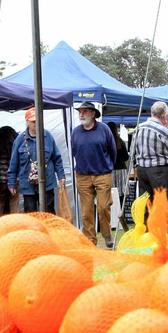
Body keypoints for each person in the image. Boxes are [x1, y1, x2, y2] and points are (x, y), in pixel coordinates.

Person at [71, 101, 116, 247]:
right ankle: (90, 240)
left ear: (92, 113)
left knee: (103, 207)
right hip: (83, 175)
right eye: (80, 112)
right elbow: (73, 151)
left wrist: (108, 167)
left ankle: (107, 234)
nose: (81, 114)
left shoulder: (104, 129)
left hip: (102, 174)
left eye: (84, 111)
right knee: (86, 211)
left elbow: (113, 151)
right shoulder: (76, 132)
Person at [7, 107, 65, 213]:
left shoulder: (48, 136)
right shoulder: (20, 140)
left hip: (47, 182)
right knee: (30, 212)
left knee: (48, 212)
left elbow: (57, 158)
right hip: (27, 185)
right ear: (27, 122)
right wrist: (11, 182)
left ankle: (48, 230)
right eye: (33, 121)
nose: (36, 123)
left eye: (38, 121)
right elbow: (13, 163)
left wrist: (61, 176)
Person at [134, 101, 168, 207]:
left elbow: (133, 150)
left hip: (142, 170)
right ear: (164, 114)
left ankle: (145, 223)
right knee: (162, 205)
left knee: (145, 203)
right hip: (159, 171)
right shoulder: (163, 130)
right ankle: (160, 224)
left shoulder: (139, 128)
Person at [107, 122, 129, 205]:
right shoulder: (121, 142)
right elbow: (126, 157)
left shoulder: (105, 142)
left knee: (110, 194)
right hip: (121, 170)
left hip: (109, 170)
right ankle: (120, 215)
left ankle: (111, 214)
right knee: (121, 195)